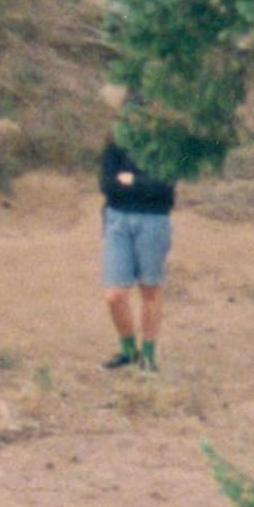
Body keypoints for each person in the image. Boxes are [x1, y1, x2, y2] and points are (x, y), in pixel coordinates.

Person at [98, 136, 174, 373]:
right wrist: (143, 184)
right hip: (117, 219)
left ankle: (148, 355)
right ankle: (128, 350)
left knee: (149, 289)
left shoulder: (167, 143)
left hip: (153, 220)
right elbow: (107, 185)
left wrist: (131, 182)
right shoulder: (115, 143)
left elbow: (164, 188)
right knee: (114, 294)